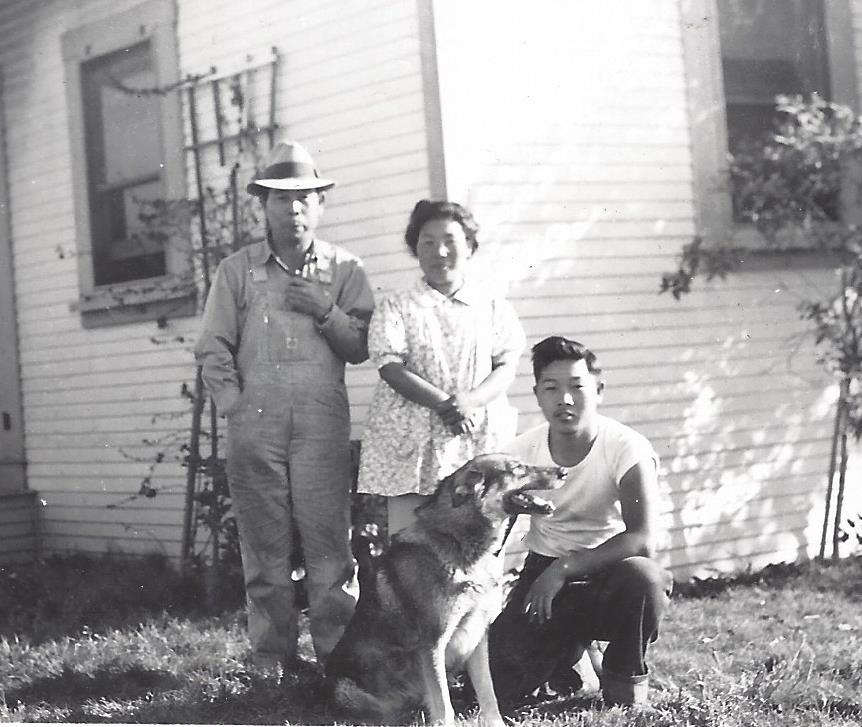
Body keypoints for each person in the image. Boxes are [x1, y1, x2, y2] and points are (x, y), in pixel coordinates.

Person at [194, 140, 375, 669]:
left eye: (303, 200)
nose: (292, 210)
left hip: (321, 424)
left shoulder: (346, 270)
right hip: (256, 424)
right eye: (279, 199)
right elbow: (213, 346)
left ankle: (337, 660)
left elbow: (362, 347)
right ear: (263, 205)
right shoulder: (236, 270)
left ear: (320, 205)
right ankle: (271, 657)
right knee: (265, 546)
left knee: (329, 546)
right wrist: (235, 406)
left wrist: (327, 312)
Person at [489, 336, 673, 707]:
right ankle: (577, 659)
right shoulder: (520, 452)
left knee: (645, 577)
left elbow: (642, 539)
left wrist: (564, 569)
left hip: (609, 572)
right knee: (500, 683)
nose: (565, 400)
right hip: (542, 579)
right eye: (552, 388)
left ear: (599, 390)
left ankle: (624, 686)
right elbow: (494, 528)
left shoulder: (625, 446)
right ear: (538, 395)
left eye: (577, 387)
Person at [357, 200, 525, 535]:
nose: (440, 252)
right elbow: (389, 365)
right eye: (428, 242)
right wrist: (446, 404)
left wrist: (471, 401)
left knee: (479, 540)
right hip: (412, 441)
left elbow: (506, 362)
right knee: (412, 544)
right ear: (415, 248)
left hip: (475, 434)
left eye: (450, 241)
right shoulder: (397, 305)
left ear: (469, 247)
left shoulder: (490, 304)